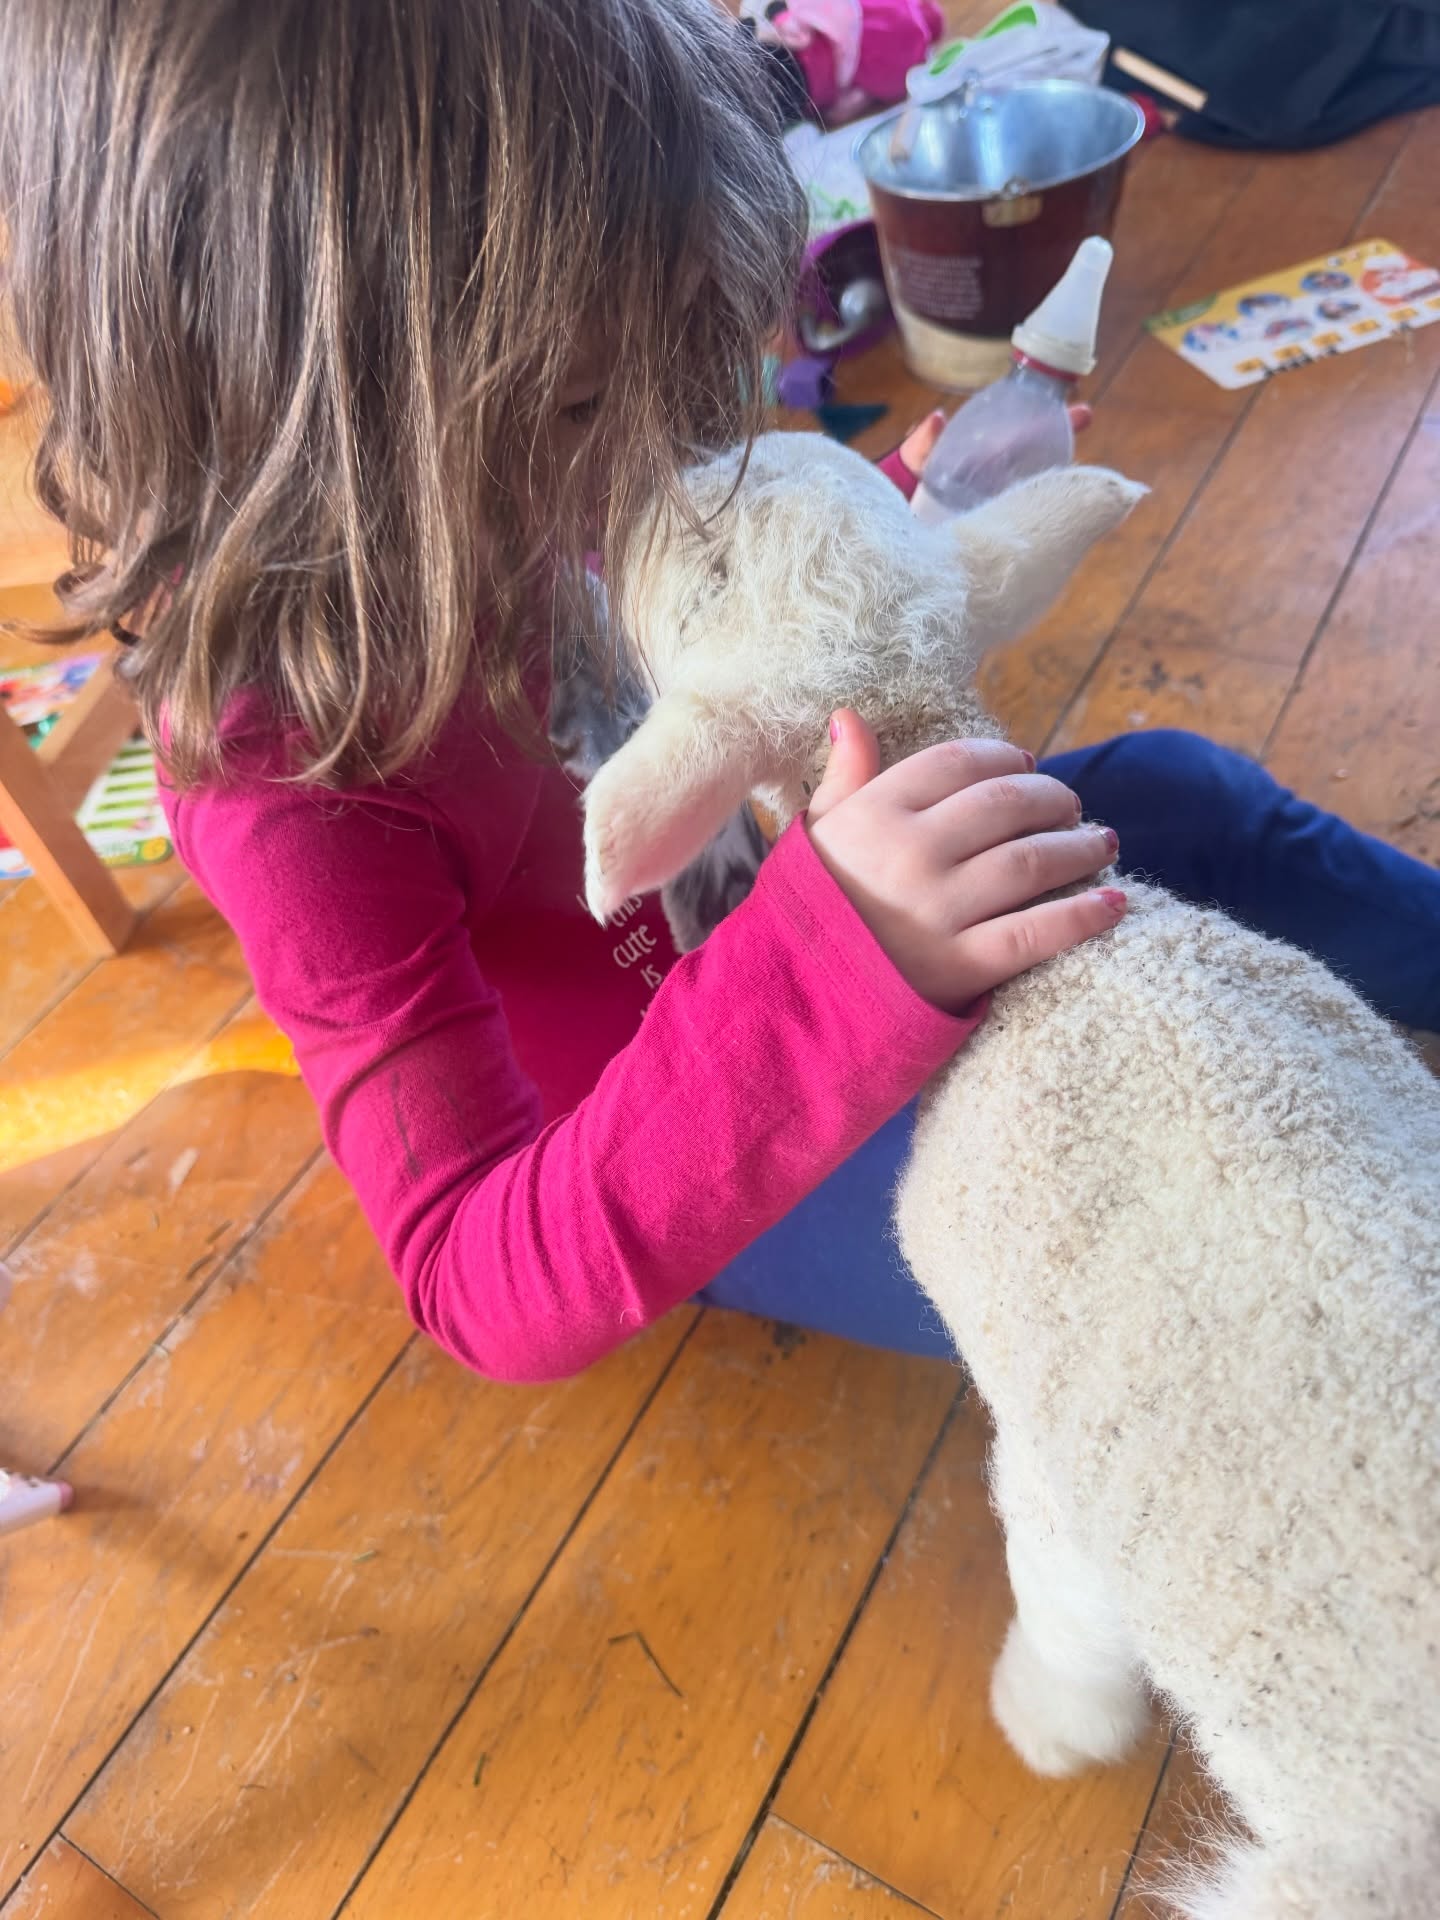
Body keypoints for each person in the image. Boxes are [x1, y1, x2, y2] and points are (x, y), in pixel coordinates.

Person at [2, 0, 1435, 1380]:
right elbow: (473, 1276)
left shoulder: (489, 449)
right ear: (295, 419)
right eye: (582, 406)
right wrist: (839, 961)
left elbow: (697, 611)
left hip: (814, 892)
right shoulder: (286, 787)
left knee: (1187, 798)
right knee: (1138, 1252)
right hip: (698, 1126)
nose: (645, 450)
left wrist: (878, 529)